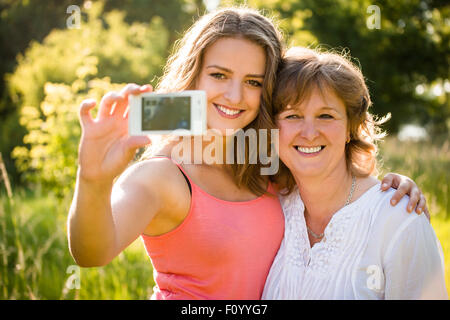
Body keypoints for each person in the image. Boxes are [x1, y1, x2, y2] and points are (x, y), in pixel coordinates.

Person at [68, 7, 428, 300]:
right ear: (194, 77)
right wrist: (93, 180)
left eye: (253, 82)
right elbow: (92, 252)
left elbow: (331, 174)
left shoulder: (266, 164)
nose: (236, 95)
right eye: (219, 75)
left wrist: (393, 187)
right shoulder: (162, 175)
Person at [262, 47, 447, 300]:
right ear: (273, 128)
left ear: (351, 128)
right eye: (292, 115)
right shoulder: (271, 206)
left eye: (326, 115)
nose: (309, 132)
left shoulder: (399, 220)